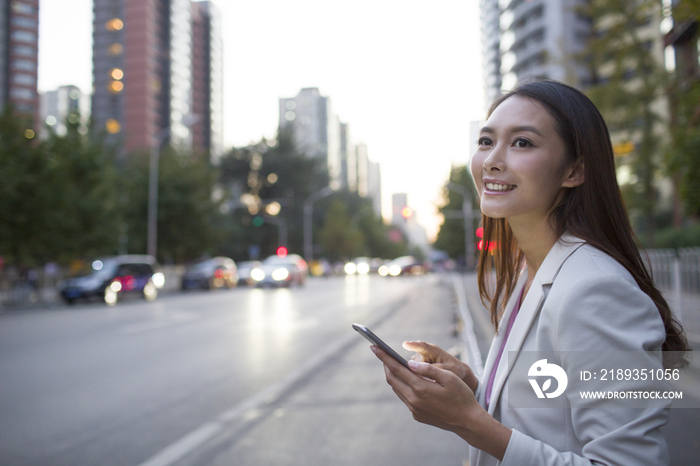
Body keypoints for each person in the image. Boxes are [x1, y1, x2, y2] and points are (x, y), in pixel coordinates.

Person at [370, 79, 689, 465]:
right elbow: (550, 412)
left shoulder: (596, 289)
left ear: (574, 170)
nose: (491, 160)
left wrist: (469, 422)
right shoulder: (534, 272)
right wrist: (473, 389)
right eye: (486, 141)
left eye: (522, 143)